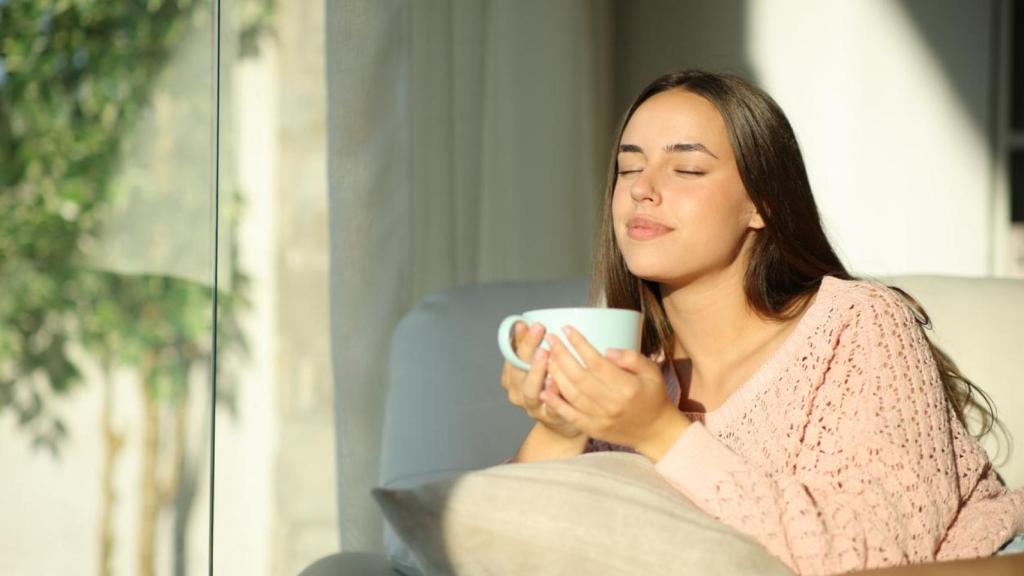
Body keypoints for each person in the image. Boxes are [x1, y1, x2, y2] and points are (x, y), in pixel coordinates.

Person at [499, 69, 1024, 575]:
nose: (642, 189)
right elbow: (502, 551)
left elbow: (874, 556)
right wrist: (560, 426)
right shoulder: (632, 379)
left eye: (686, 170)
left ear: (763, 204)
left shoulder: (856, 323)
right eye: (629, 168)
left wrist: (661, 433)